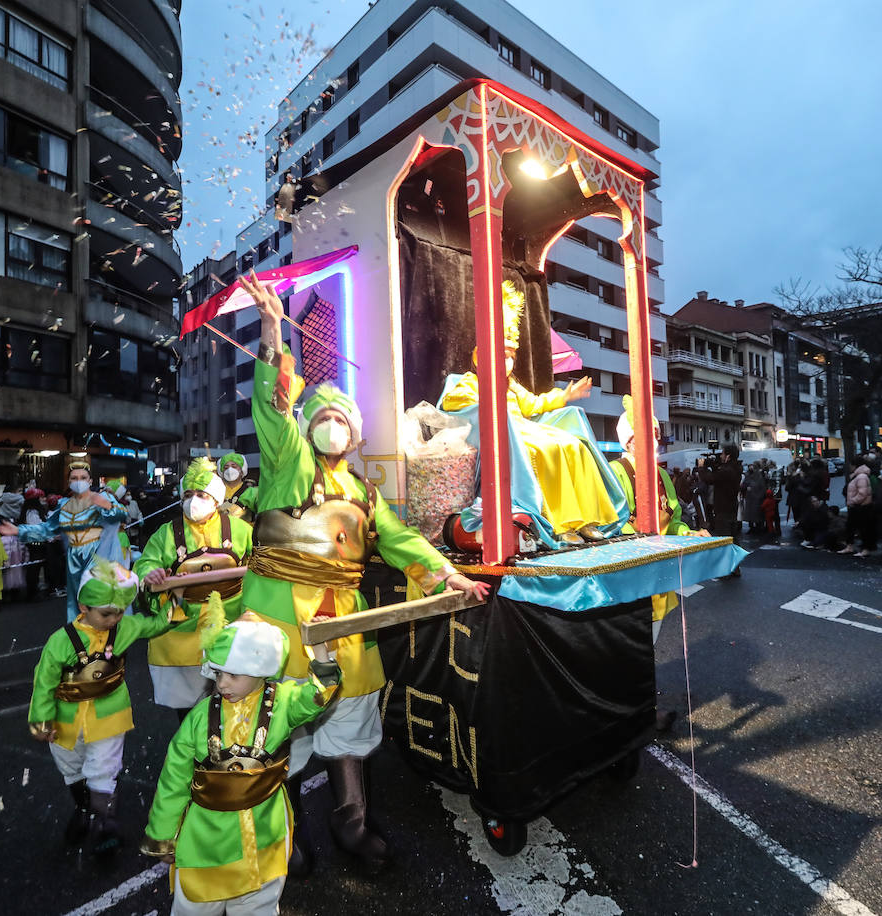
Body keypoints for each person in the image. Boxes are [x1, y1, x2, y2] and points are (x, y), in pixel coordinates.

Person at [239, 271, 490, 871]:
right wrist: (273, 332)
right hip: (278, 618)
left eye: (342, 418)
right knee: (279, 725)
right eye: (321, 415)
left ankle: (350, 821)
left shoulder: (364, 491)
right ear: (307, 425)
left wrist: (448, 576)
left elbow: (401, 541)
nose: (332, 424)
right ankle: (281, 834)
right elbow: (273, 409)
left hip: (345, 623)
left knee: (349, 721)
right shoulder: (287, 462)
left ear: (354, 435)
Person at [140, 596, 340, 913]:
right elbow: (174, 779)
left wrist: (321, 652)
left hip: (264, 838)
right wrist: (162, 835)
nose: (222, 683)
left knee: (258, 907)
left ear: (261, 668)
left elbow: (319, 695)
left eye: (233, 675)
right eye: (219, 673)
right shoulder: (199, 717)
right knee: (194, 907)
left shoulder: (283, 703)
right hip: (207, 842)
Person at [440, 281, 624, 545]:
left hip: (527, 428)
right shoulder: (471, 382)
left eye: (510, 356)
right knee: (546, 449)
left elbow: (533, 404)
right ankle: (562, 522)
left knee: (573, 444)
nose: (506, 362)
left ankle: (588, 519)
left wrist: (564, 396)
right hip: (509, 435)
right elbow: (456, 404)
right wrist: (490, 405)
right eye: (500, 355)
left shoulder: (512, 385)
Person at [28, 560, 172, 851]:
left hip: (109, 716)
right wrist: (42, 721)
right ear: (83, 607)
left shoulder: (126, 627)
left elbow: (158, 624)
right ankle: (84, 810)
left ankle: (105, 823)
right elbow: (44, 682)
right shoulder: (60, 641)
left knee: (103, 768)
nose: (115, 619)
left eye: (120, 612)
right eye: (106, 613)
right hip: (65, 720)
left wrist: (173, 597)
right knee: (72, 768)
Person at [609, 396, 707, 731]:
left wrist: (689, 533)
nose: (654, 442)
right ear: (629, 441)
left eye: (655, 435)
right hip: (631, 577)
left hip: (658, 576)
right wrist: (648, 538)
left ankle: (640, 710)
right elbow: (611, 526)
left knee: (647, 647)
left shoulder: (662, 477)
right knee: (630, 649)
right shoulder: (616, 473)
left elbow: (674, 520)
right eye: (646, 436)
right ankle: (631, 713)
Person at [135, 458, 254, 726]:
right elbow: (146, 563)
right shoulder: (166, 533)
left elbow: (260, 566)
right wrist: (150, 574)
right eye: (188, 495)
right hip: (182, 630)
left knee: (231, 705)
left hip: (231, 623)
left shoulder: (241, 530)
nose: (194, 501)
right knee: (188, 714)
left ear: (216, 499)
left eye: (201, 495)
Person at [5, 459, 128, 621]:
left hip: (97, 554)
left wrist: (106, 505)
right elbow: (47, 529)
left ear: (90, 481)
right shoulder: (64, 504)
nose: (79, 481)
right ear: (69, 482)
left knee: (96, 598)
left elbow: (121, 514)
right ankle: (78, 632)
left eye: (83, 478)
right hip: (73, 556)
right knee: (76, 600)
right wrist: (18, 530)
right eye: (74, 478)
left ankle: (103, 633)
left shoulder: (101, 497)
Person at [839, 457, 875, 557]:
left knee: (863, 529)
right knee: (851, 527)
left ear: (855, 465)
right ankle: (850, 546)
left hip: (860, 507)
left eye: (851, 465)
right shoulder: (858, 476)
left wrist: (852, 501)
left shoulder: (861, 477)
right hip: (857, 506)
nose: (849, 467)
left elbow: (862, 493)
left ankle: (865, 549)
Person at [217, 452, 258, 522]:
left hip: (244, 528)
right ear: (222, 472)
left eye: (234, 466)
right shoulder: (216, 490)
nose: (230, 470)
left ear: (242, 471)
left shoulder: (253, 492)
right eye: (226, 467)